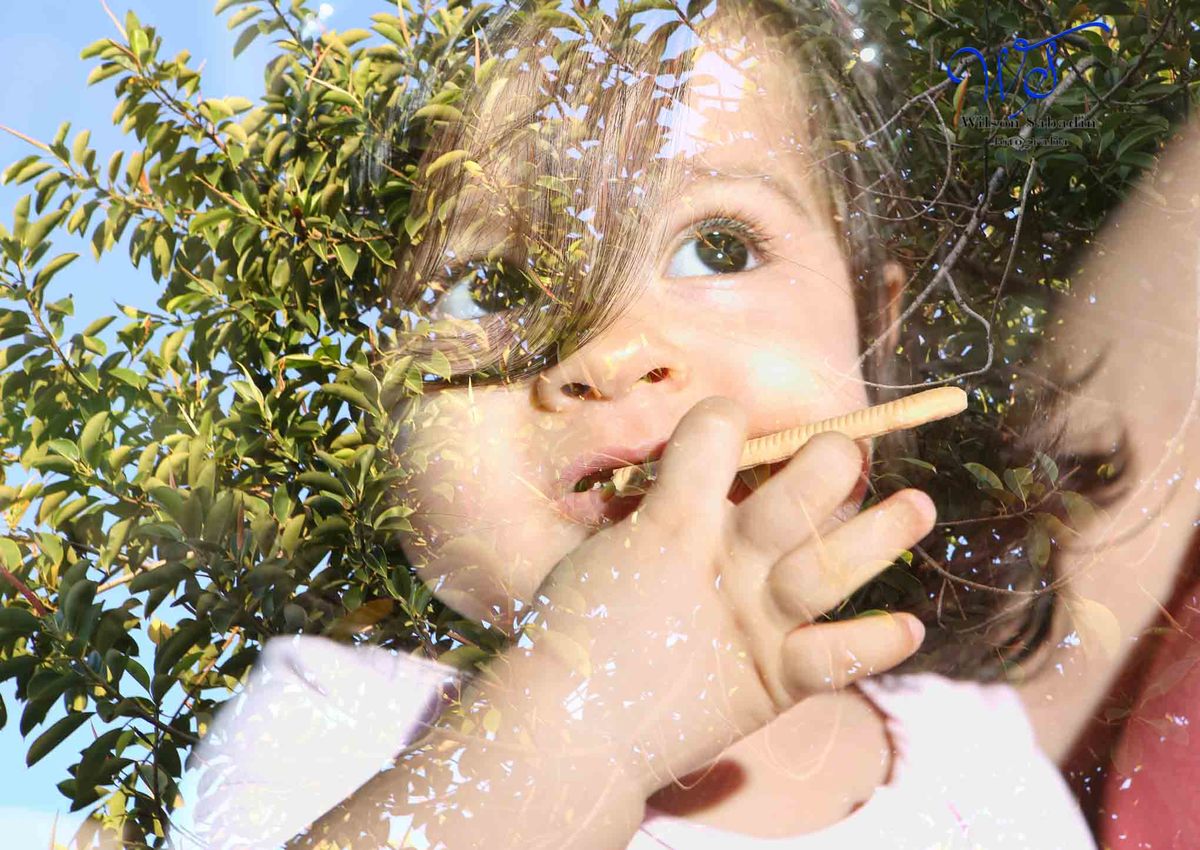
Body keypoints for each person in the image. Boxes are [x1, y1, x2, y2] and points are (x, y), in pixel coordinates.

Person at [165, 0, 1139, 847]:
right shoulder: (337, 725)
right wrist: (578, 727)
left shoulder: (981, 758)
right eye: (495, 285)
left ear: (873, 345)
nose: (610, 350)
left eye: (719, 247)